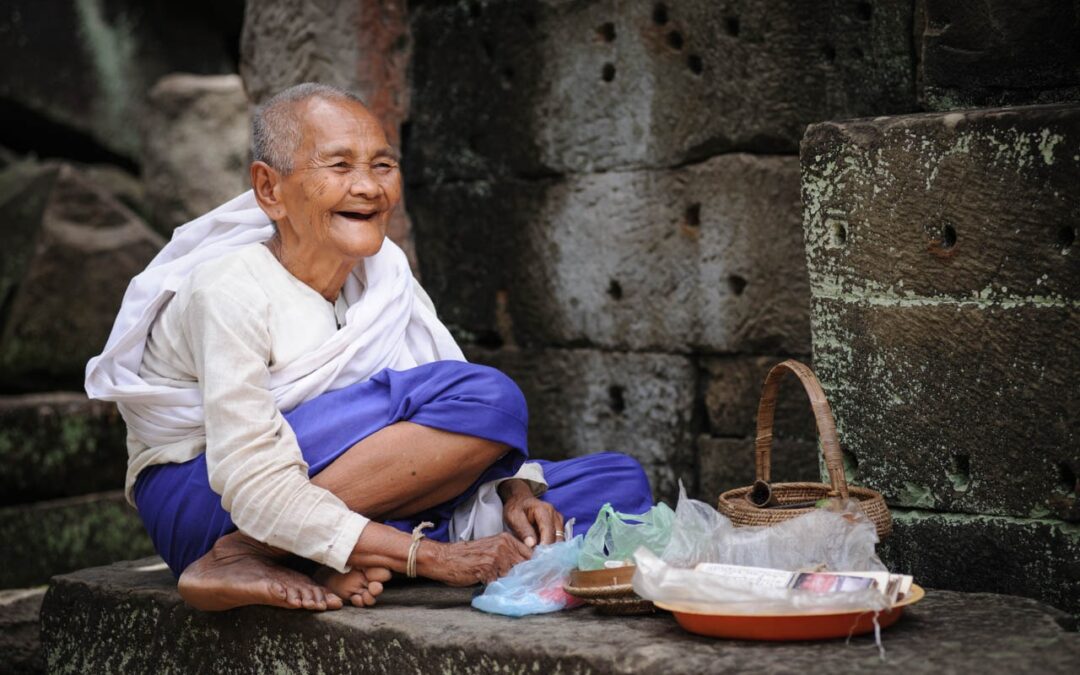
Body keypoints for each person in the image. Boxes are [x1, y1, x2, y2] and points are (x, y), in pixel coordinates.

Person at [85, 82, 654, 612]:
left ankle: (333, 552)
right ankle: (245, 555)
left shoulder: (382, 272)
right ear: (268, 189)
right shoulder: (228, 287)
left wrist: (515, 490)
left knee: (617, 485)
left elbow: (444, 432)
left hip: (354, 486)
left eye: (382, 165)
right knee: (491, 400)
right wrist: (435, 559)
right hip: (212, 501)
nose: (368, 186)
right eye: (338, 166)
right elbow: (250, 475)